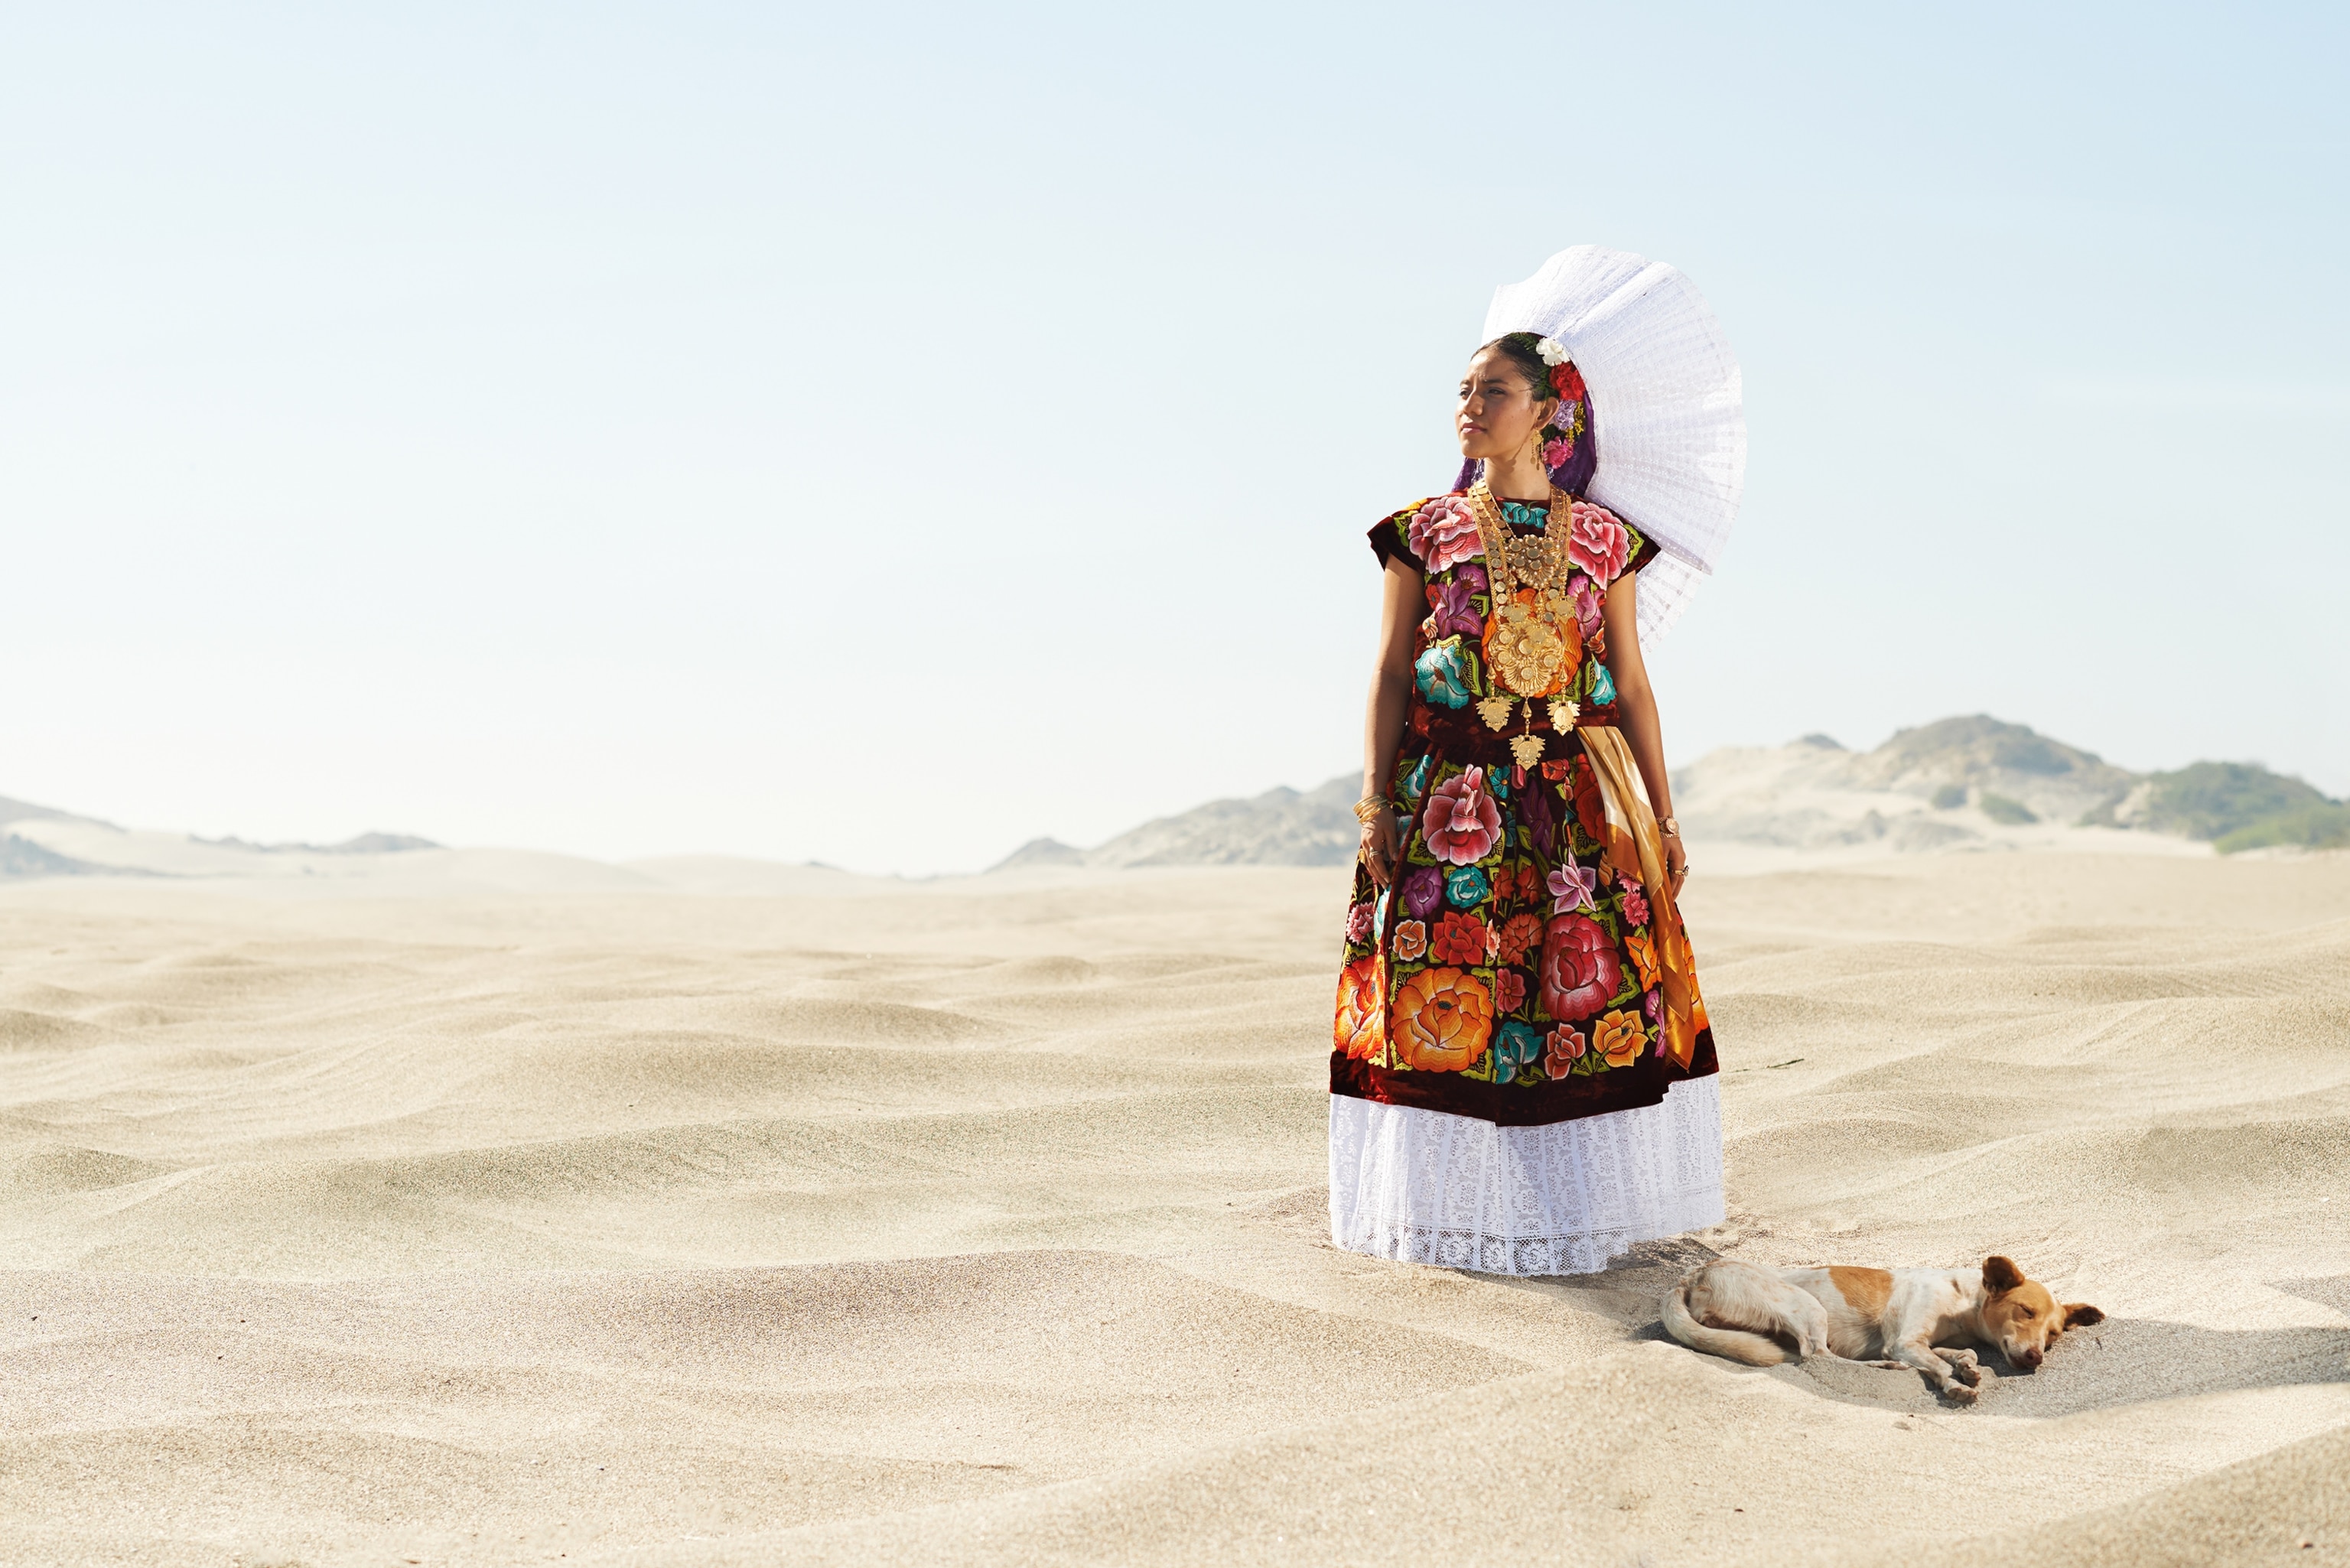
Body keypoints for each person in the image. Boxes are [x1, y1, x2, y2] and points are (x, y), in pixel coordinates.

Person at [1329, 329, 1723, 1276]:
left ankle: (1576, 1220)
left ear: (1548, 410)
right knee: (1447, 992)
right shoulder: (1423, 528)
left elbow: (1630, 684)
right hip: (1449, 797)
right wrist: (1376, 801)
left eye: (1493, 390)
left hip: (1579, 802)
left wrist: (1662, 820)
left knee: (1578, 1004)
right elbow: (1390, 670)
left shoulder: (1605, 540)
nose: (1469, 405)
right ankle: (1453, 1223)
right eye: (1463, 390)